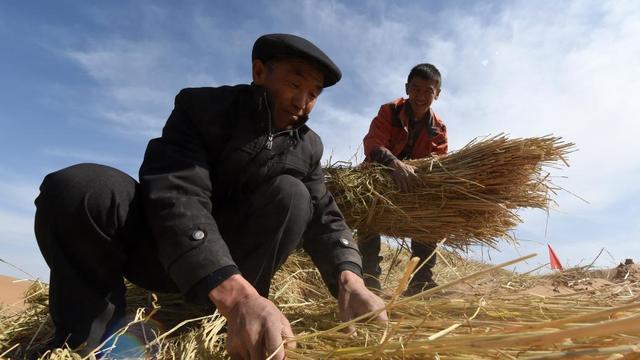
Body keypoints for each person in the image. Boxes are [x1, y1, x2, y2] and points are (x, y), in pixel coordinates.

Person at [34, 33, 387, 359]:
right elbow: (178, 190)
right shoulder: (201, 108)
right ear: (259, 72)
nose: (302, 102)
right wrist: (234, 294)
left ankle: (224, 315)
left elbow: (324, 213)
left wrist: (349, 278)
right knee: (80, 188)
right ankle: (86, 338)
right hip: (163, 251)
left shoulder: (307, 146)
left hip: (237, 265)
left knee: (294, 195)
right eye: (295, 84)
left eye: (313, 94)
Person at [360, 63, 448, 296]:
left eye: (428, 91)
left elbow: (437, 164)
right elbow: (373, 144)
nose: (420, 96)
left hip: (413, 185)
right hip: (379, 176)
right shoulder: (389, 111)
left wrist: (419, 180)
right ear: (407, 88)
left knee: (432, 214)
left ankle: (420, 281)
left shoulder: (438, 129)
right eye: (416, 89)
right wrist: (394, 165)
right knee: (368, 209)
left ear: (437, 94)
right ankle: (369, 278)